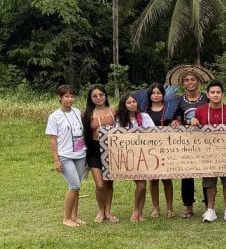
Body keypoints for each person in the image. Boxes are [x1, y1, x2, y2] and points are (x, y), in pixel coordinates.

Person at [191, 81, 226, 223]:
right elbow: (195, 131)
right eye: (212, 92)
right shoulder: (200, 110)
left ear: (222, 94)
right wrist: (194, 123)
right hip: (208, 152)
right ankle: (210, 210)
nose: (215, 95)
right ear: (208, 94)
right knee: (210, 182)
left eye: (218, 92)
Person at [46, 85, 86, 227]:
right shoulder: (54, 116)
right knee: (74, 185)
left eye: (72, 96)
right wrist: (56, 160)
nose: (70, 99)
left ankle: (74, 216)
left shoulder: (77, 112)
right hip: (65, 155)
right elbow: (53, 140)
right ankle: (67, 218)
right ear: (60, 98)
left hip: (80, 154)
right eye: (67, 96)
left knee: (77, 186)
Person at [170, 70, 208, 219]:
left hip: (205, 141)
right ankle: (188, 206)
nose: (190, 82)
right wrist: (176, 121)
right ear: (182, 83)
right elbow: (177, 117)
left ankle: (208, 206)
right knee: (186, 174)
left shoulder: (207, 98)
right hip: (186, 142)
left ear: (198, 81)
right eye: (187, 80)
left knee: (207, 173)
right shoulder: (179, 100)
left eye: (193, 79)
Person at [115, 92, 155, 222]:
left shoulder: (145, 117)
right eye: (129, 102)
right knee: (141, 185)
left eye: (134, 101)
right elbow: (118, 138)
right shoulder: (120, 120)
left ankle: (140, 213)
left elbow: (154, 132)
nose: (132, 104)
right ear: (124, 105)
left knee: (143, 184)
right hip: (130, 156)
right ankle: (136, 211)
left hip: (145, 155)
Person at [82, 84, 117, 222]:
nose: (98, 98)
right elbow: (82, 134)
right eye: (95, 96)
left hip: (111, 150)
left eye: (101, 94)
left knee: (109, 183)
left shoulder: (113, 110)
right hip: (94, 150)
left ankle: (108, 212)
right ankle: (100, 211)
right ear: (90, 98)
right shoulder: (87, 114)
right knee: (100, 184)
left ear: (105, 95)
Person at [144, 82, 175, 218]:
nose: (156, 95)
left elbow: (176, 122)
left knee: (167, 179)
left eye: (159, 93)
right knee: (154, 180)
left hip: (166, 147)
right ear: (149, 95)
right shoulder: (144, 111)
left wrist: (175, 122)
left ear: (163, 94)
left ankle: (170, 208)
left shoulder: (169, 108)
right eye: (153, 93)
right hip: (149, 149)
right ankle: (156, 208)